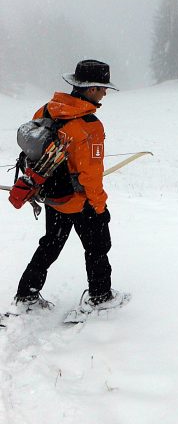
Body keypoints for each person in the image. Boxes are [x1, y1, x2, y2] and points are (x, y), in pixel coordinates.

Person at [13, 59, 127, 313]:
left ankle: (26, 294)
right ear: (89, 89)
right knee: (97, 248)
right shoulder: (89, 126)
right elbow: (91, 174)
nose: (105, 92)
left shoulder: (45, 111)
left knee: (50, 244)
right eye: (101, 87)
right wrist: (100, 206)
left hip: (53, 195)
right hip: (80, 201)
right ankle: (100, 296)